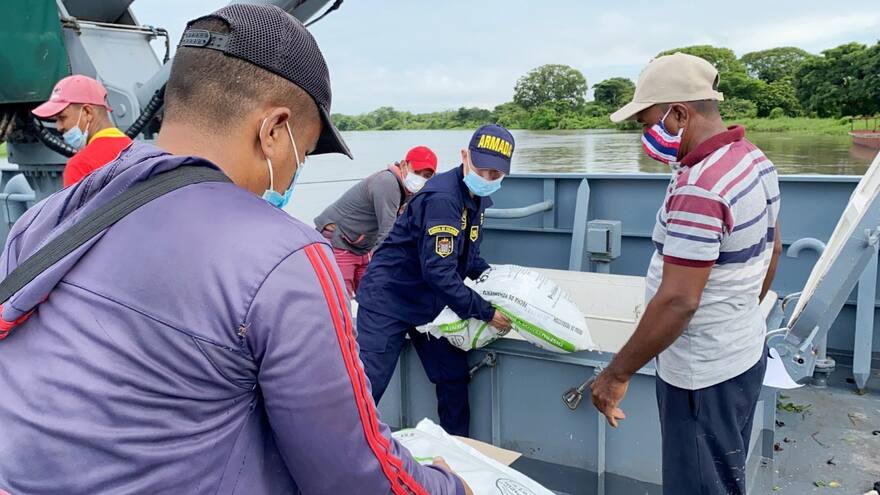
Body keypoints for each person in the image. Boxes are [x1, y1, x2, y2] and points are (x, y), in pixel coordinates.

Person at [0, 5, 471, 494]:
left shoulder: (48, 219)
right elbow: (354, 478)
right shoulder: (287, 257)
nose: (293, 174)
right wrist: (449, 486)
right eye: (303, 154)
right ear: (272, 131)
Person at [589, 53, 782, 495]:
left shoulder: (702, 186)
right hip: (741, 352)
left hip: (701, 376)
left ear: (678, 114)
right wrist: (734, 316)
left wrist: (615, 375)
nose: (644, 134)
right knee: (722, 477)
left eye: (646, 121)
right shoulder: (752, 160)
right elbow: (774, 249)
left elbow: (679, 300)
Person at [356, 124, 515, 437]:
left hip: (430, 302)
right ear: (464, 156)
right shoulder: (443, 198)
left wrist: (501, 282)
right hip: (389, 298)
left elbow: (466, 259)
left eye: (495, 176)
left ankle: (457, 452)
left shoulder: (476, 198)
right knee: (367, 386)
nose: (486, 180)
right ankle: (344, 460)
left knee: (453, 376)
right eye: (481, 170)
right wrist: (485, 311)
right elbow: (439, 271)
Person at [315, 145, 438, 297]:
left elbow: (411, 228)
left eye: (426, 175)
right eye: (417, 172)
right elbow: (387, 233)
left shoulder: (412, 192)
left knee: (373, 294)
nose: (420, 178)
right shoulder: (387, 183)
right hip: (339, 239)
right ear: (404, 165)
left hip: (364, 245)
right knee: (340, 297)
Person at [32, 75, 133, 187]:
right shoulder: (137, 151)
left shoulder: (80, 165)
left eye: (62, 117)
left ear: (87, 112)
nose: (58, 127)